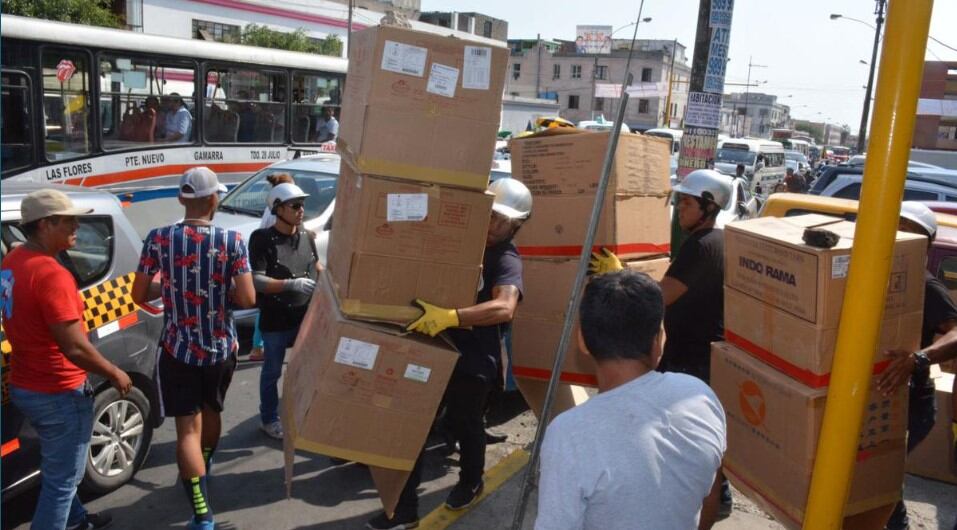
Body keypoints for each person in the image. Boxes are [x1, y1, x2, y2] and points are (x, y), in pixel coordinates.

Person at [365, 178, 532, 530]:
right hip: (432, 352)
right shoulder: (459, 244)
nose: (493, 226)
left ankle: (471, 481)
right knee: (414, 429)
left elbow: (504, 307)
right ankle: (403, 510)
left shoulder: (506, 258)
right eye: (490, 216)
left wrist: (452, 317)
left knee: (466, 423)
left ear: (515, 226)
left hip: (472, 362)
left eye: (502, 221)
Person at [590, 168, 734, 518]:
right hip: (694, 354)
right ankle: (717, 495)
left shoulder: (702, 247)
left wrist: (620, 275)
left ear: (709, 206)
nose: (679, 210)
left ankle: (713, 502)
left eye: (686, 203)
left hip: (694, 359)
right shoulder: (712, 243)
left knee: (689, 439)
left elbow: (659, 296)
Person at [534, 270, 727, 530]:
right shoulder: (700, 395)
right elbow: (711, 495)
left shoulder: (569, 434)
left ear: (582, 340)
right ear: (659, 340)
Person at [131, 167, 255, 530]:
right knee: (212, 410)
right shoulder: (232, 241)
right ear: (214, 198)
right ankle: (206, 461)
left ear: (182, 198)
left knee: (187, 428)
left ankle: (202, 514)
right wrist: (218, 293)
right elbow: (247, 296)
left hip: (177, 349)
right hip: (220, 348)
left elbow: (139, 295)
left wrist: (168, 288)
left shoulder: (158, 238)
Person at [0, 189, 132, 530]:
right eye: (69, 219)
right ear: (45, 224)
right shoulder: (52, 275)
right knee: (63, 482)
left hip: (26, 384)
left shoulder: (13, 260)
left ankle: (76, 522)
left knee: (57, 467)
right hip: (58, 391)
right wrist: (114, 372)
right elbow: (74, 347)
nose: (77, 225)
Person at [876, 202, 957, 530]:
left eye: (908, 232)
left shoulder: (925, 284)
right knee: (874, 481)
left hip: (911, 404)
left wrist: (919, 358)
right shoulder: (876, 274)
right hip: (879, 397)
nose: (898, 237)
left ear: (925, 243)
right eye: (895, 228)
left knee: (880, 481)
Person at [248, 182, 319, 439]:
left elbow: (316, 267)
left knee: (306, 370)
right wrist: (290, 284)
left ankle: (300, 414)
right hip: (276, 319)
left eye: (302, 205)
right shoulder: (262, 239)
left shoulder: (307, 236)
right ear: (278, 209)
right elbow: (257, 280)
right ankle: (268, 419)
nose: (301, 210)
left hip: (304, 316)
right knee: (272, 372)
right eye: (295, 205)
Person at [248, 173, 296, 362]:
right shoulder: (276, 214)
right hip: (271, 266)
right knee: (266, 311)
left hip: (270, 265)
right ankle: (257, 347)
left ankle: (257, 346)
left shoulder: (273, 209)